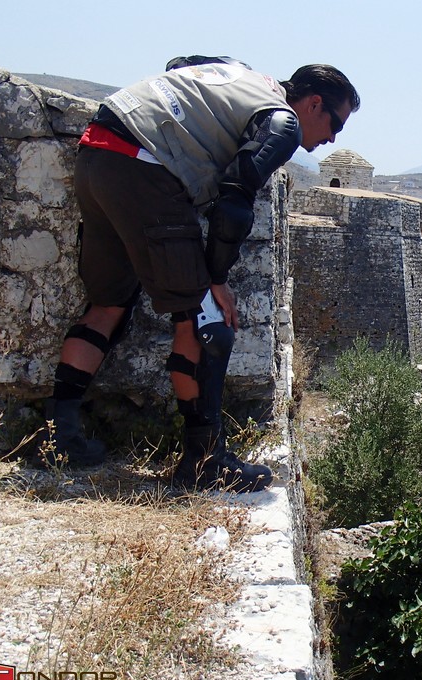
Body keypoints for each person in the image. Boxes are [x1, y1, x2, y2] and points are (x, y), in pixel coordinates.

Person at [42, 56, 360, 492]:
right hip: (145, 167)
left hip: (98, 151)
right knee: (207, 322)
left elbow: (182, 63)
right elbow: (232, 205)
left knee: (110, 303)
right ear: (314, 103)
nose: (331, 139)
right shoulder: (283, 124)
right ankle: (205, 461)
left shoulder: (242, 73)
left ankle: (57, 439)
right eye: (336, 126)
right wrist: (215, 279)